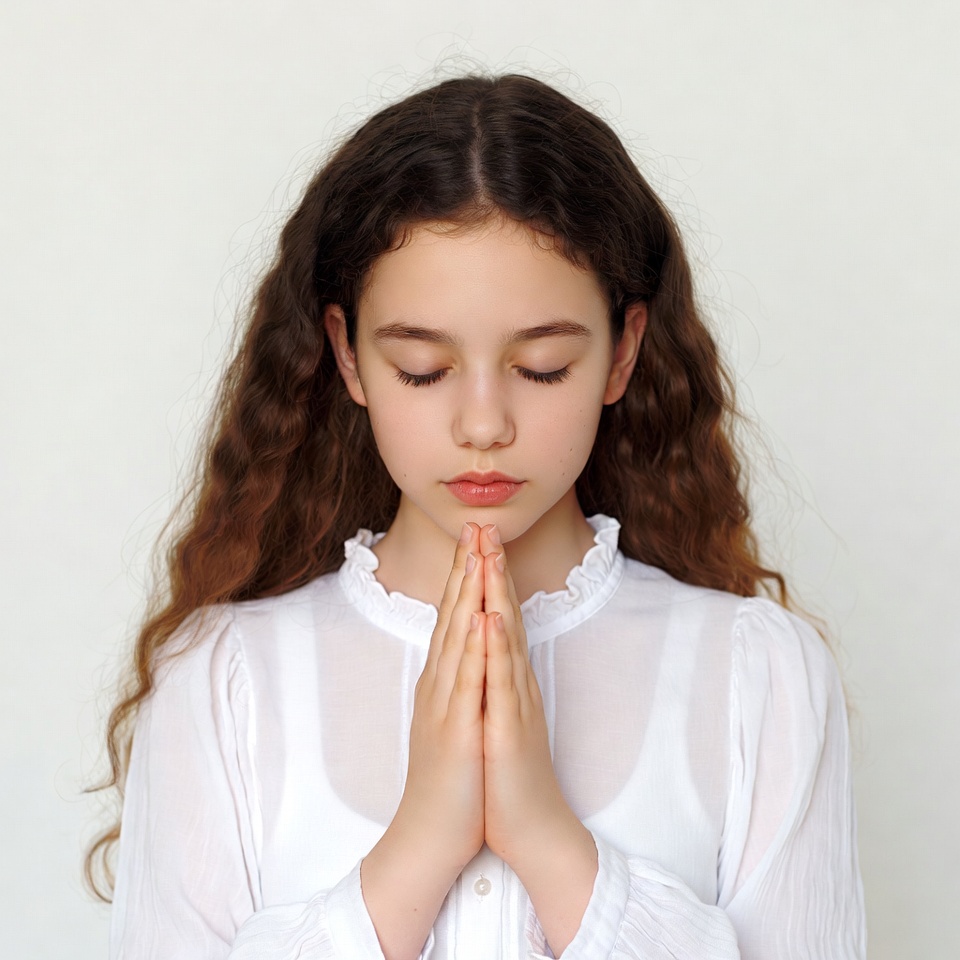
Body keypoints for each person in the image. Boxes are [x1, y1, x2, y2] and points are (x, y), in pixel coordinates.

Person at [89, 73, 865, 959]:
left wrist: (547, 837)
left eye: (541, 367)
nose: (484, 424)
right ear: (348, 357)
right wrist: (419, 846)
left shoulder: (759, 676)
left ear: (624, 354)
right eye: (423, 368)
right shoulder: (222, 683)